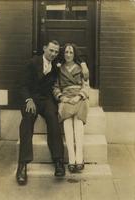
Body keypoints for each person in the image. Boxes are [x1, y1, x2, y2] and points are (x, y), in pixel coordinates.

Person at [16, 40, 65, 185]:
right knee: (27, 121)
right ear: (44, 49)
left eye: (56, 52)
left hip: (46, 99)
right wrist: (28, 99)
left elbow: (73, 56)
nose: (53, 54)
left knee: (53, 119)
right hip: (31, 99)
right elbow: (21, 85)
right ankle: (22, 165)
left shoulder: (56, 66)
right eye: (51, 50)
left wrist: (82, 64)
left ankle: (58, 161)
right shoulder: (32, 63)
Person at [53, 43, 89, 173]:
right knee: (68, 124)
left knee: (78, 124)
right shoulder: (59, 69)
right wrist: (62, 98)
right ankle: (71, 160)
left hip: (79, 98)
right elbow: (55, 87)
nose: (68, 55)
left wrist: (79, 96)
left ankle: (79, 158)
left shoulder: (81, 68)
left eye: (71, 52)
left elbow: (86, 86)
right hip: (66, 98)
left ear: (75, 54)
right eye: (66, 52)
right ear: (63, 54)